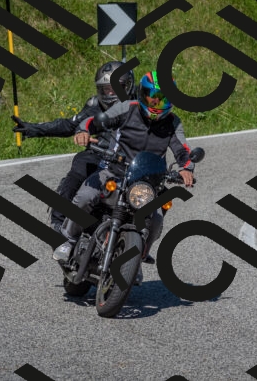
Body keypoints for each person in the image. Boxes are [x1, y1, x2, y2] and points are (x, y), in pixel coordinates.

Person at [53, 71, 195, 284]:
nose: (156, 103)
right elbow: (94, 121)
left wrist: (186, 168)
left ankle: (137, 259)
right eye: (152, 97)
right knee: (85, 197)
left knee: (156, 219)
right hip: (114, 171)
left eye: (162, 99)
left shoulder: (173, 122)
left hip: (146, 183)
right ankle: (69, 239)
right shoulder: (128, 108)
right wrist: (84, 130)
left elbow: (183, 150)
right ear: (142, 94)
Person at [11, 61, 135, 231]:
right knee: (79, 168)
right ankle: (58, 221)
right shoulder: (95, 105)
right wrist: (33, 129)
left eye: (116, 88)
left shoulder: (140, 107)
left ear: (128, 86)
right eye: (106, 89)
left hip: (130, 158)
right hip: (100, 154)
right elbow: (69, 125)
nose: (111, 93)